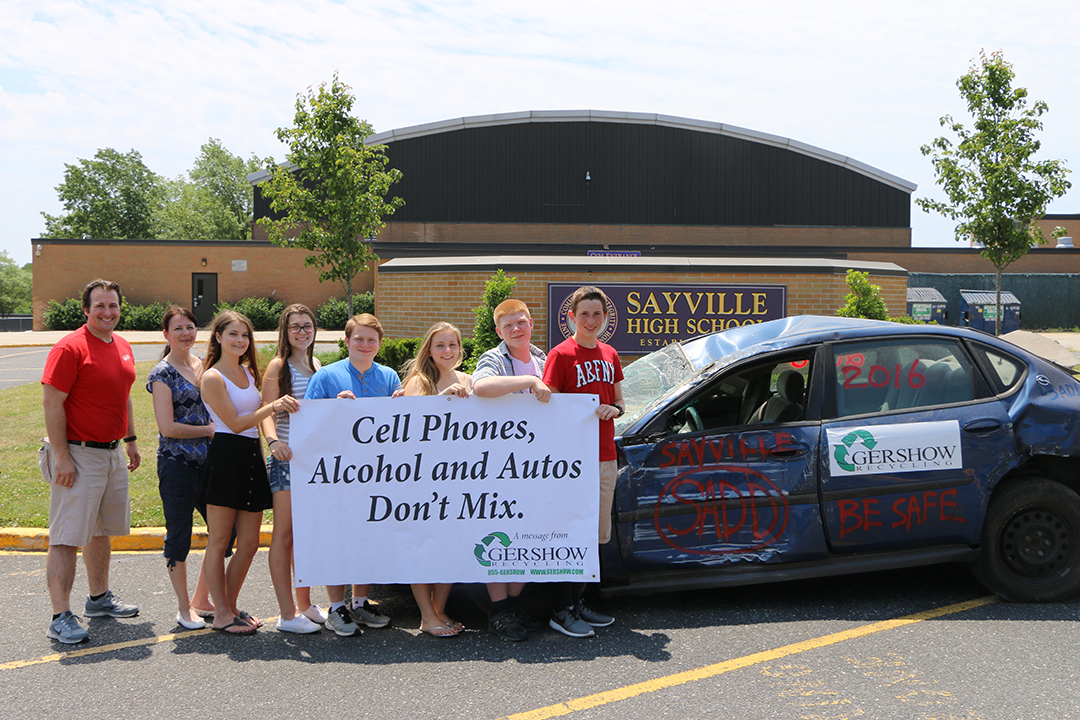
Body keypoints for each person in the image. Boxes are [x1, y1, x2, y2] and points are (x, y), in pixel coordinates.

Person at [41, 279, 141, 644]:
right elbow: (52, 403)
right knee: (67, 536)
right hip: (78, 453)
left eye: (113, 305)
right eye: (99, 306)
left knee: (101, 531)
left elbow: (124, 396)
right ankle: (59, 616)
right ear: (86, 310)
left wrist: (129, 441)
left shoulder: (122, 345)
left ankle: (98, 599)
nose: (107, 312)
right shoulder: (70, 348)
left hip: (112, 452)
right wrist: (63, 458)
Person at [200, 310, 299, 635]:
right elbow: (236, 423)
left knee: (250, 543)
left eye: (245, 335)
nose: (240, 340)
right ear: (218, 337)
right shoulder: (212, 377)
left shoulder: (246, 372)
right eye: (233, 334)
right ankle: (220, 615)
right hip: (225, 457)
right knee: (218, 542)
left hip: (250, 459)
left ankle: (229, 606)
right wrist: (272, 407)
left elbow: (250, 421)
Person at [304, 313, 398, 637]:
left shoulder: (388, 377)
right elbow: (308, 425)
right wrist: (332, 406)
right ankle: (337, 607)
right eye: (358, 338)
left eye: (372, 339)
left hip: (377, 473)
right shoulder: (327, 377)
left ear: (380, 344)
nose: (365, 344)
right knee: (337, 539)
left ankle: (359, 603)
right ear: (346, 341)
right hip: (338, 473)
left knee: (366, 538)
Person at [541, 286, 622, 638]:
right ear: (571, 317)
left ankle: (577, 602)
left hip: (605, 456)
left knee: (595, 537)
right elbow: (550, 407)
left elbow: (620, 400)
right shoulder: (560, 355)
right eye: (584, 314)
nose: (591, 320)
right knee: (572, 533)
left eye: (597, 314)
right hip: (573, 461)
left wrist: (613, 409)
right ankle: (560, 610)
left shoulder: (610, 354)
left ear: (605, 318)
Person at [472, 299, 550, 642]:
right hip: (501, 463)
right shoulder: (494, 359)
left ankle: (514, 605)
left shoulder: (543, 359)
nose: (516, 330)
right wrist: (529, 383)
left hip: (539, 462)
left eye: (521, 323)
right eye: (508, 326)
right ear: (499, 331)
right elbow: (481, 388)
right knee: (499, 532)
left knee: (529, 532)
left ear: (531, 323)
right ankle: (499, 609)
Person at [147, 306, 216, 631]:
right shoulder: (162, 374)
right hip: (177, 465)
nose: (186, 333)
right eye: (178, 328)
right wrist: (207, 430)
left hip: (210, 464)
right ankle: (183, 607)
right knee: (179, 537)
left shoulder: (204, 365)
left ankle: (201, 599)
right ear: (166, 334)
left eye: (190, 327)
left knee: (222, 532)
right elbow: (168, 427)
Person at [400, 322, 471, 637]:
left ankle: (440, 610)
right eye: (440, 345)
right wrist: (444, 396)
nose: (447, 351)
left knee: (450, 548)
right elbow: (413, 425)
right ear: (429, 349)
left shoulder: (469, 380)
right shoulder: (419, 382)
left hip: (459, 478)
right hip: (423, 479)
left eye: (452, 345)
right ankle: (427, 616)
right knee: (424, 548)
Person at [260, 304, 325, 634]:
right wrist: (273, 445)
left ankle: (305, 603)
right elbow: (266, 411)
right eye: (295, 327)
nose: (302, 332)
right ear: (285, 332)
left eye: (307, 326)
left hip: (314, 463)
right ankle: (287, 615)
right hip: (286, 461)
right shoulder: (278, 365)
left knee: (306, 537)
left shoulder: (317, 364)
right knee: (283, 537)